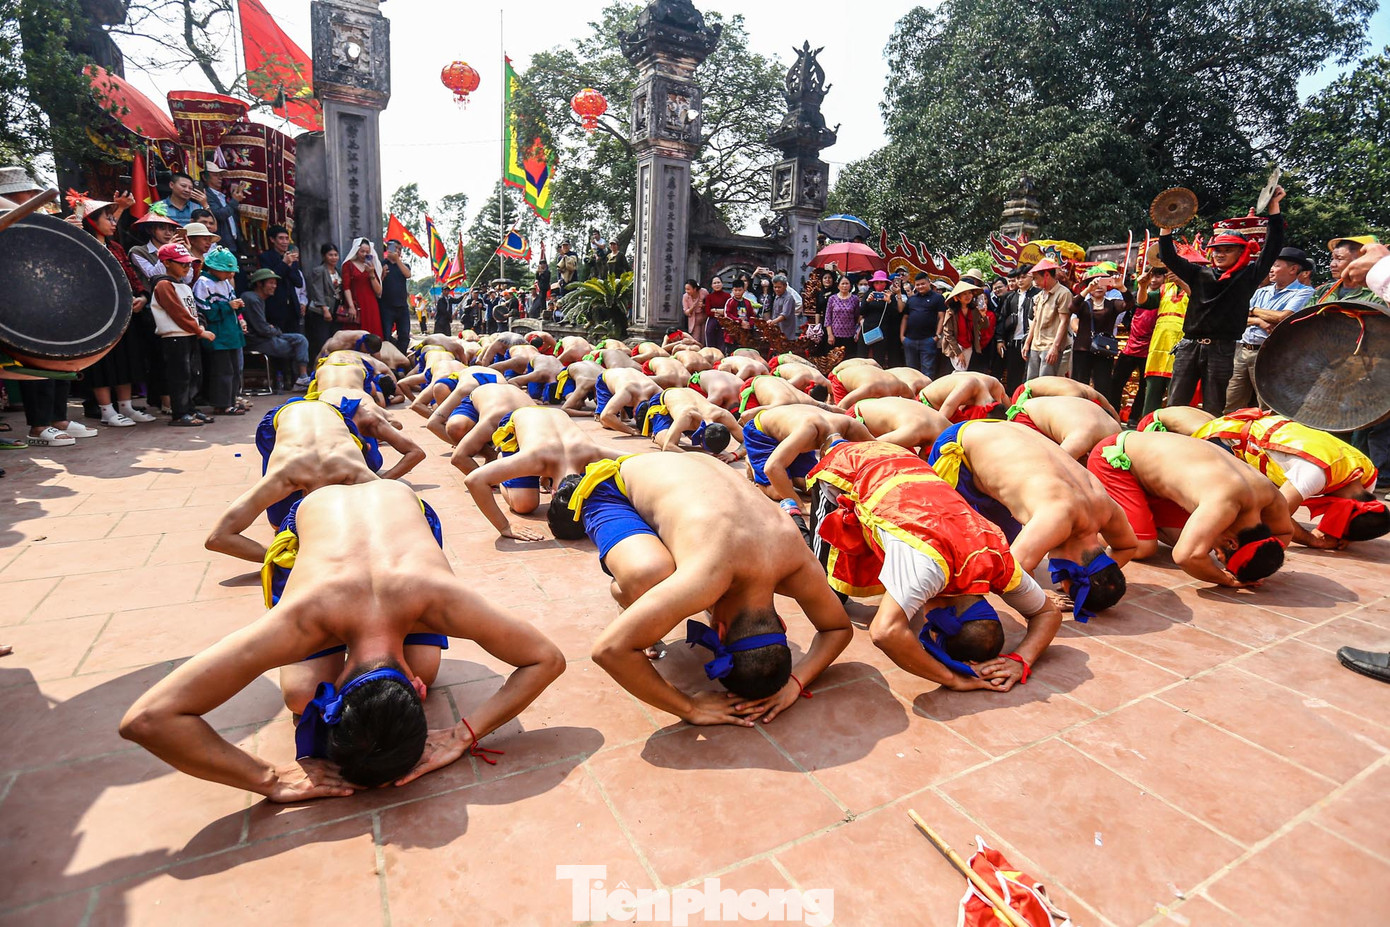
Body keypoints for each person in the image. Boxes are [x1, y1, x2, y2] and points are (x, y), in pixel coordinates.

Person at [125, 480, 565, 799]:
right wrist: (268, 779)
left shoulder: (439, 597)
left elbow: (547, 659)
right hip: (315, 517)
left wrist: (463, 734)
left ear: (415, 688)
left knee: (316, 692)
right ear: (416, 689)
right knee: (301, 695)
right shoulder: (299, 619)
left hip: (401, 512)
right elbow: (146, 720)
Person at [548, 453, 853, 725]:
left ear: (781, 623)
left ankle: (651, 595)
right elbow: (608, 650)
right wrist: (690, 708)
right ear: (718, 631)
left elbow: (839, 628)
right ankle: (627, 597)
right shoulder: (708, 577)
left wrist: (796, 681)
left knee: (692, 571)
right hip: (615, 487)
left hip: (688, 466)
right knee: (648, 575)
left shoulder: (795, 562)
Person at [808, 440, 1064, 692]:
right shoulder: (926, 569)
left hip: (905, 462)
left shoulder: (999, 561)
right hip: (849, 465)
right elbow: (885, 633)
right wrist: (953, 680)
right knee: (828, 594)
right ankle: (831, 448)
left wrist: (1022, 659)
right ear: (938, 623)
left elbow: (1048, 613)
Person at [926, 421, 1136, 619]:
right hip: (959, 447)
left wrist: (1097, 577)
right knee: (947, 555)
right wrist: (1041, 599)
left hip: (1002, 430)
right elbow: (1010, 571)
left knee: (997, 550)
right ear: (1069, 578)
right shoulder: (1057, 518)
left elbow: (1128, 546)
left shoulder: (1105, 508)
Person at [1086, 429, 1293, 586]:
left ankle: (1137, 517)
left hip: (1155, 482)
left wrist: (1262, 562)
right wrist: (1226, 579)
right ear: (1231, 543)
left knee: (1190, 539)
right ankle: (1091, 522)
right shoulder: (1225, 502)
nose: (1214, 555)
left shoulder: (1270, 496)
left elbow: (1284, 532)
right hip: (1116, 458)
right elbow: (1186, 557)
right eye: (1219, 557)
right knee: (1141, 546)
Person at [1158, 187, 1286, 412]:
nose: (1220, 254)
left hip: (1222, 350)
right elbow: (1168, 256)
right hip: (1189, 346)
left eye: (1227, 250)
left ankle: (1209, 436)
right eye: (1217, 250)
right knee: (1175, 404)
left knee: (1213, 407)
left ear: (1241, 252)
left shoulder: (1249, 276)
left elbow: (1272, 248)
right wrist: (1165, 225)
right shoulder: (1199, 274)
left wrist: (1274, 207)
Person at [1193, 412, 1389, 548]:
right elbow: (1273, 516)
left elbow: (1366, 516)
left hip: (1271, 427)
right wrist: (1311, 539)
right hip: (1228, 437)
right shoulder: (1315, 473)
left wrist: (1347, 536)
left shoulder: (1367, 476)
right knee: (1239, 509)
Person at [463, 406, 619, 539]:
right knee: (523, 505)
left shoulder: (593, 452)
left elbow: (634, 460)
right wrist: (504, 526)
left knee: (526, 502)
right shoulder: (534, 459)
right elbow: (474, 480)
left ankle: (510, 468)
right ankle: (502, 459)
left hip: (555, 415)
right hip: (519, 418)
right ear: (553, 493)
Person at [71, 191, 156, 429]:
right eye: (108, 218)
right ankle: (106, 410)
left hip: (124, 314)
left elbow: (131, 276)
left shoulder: (116, 247)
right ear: (91, 221)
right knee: (103, 363)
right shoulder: (81, 248)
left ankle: (126, 406)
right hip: (96, 316)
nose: (113, 222)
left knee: (126, 358)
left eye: (113, 217)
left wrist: (142, 296)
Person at [1225, 247, 1315, 412]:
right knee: (1231, 401)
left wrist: (1253, 310)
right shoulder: (1261, 292)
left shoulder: (1305, 293)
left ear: (1293, 269)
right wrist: (1259, 321)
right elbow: (1237, 316)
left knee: (1268, 404)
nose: (1271, 269)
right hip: (1242, 350)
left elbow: (1283, 317)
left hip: (1271, 354)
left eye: (1276, 265)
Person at [148, 243, 218, 426]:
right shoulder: (163, 284)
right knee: (180, 376)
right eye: (182, 264)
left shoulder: (183, 285)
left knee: (193, 375)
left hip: (189, 335)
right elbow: (177, 313)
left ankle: (190, 408)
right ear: (167, 263)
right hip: (175, 337)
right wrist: (199, 330)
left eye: (188, 264)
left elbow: (193, 311)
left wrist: (199, 326)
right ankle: (179, 413)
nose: (187, 267)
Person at [194, 248, 247, 416]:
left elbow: (232, 302)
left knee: (234, 370)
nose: (230, 275)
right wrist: (228, 306)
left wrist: (238, 309)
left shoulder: (225, 283)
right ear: (214, 268)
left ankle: (231, 400)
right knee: (222, 371)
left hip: (231, 333)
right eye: (226, 271)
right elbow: (205, 311)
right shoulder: (203, 283)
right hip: (218, 336)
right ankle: (221, 404)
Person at [242, 268, 312, 389]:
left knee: (300, 339)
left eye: (275, 283)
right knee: (295, 348)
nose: (274, 286)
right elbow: (263, 329)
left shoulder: (259, 299)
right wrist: (274, 330)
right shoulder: (252, 299)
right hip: (256, 340)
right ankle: (299, 378)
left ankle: (302, 377)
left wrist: (273, 329)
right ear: (259, 283)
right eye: (271, 283)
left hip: (267, 336)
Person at [1109, 267, 1161, 427]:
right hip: (1131, 347)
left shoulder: (1164, 297)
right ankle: (1113, 413)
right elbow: (1126, 315)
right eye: (1151, 276)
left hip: (1151, 349)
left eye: (1158, 276)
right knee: (1116, 382)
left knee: (1145, 387)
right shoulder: (1136, 296)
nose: (1153, 280)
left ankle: (1134, 417)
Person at [1005, 394, 1120, 461]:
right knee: (1038, 464)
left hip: (1042, 408)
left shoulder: (1117, 435)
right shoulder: (1083, 437)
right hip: (1025, 415)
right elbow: (1057, 464)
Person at [1070, 267, 1127, 398]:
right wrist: (1087, 290)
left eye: (1102, 283)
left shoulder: (1112, 304)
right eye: (1095, 284)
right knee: (1079, 386)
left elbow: (1129, 304)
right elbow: (1072, 307)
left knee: (1103, 386)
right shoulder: (1084, 304)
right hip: (1083, 349)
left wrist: (1121, 287)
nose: (1099, 287)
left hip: (1104, 350)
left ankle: (1101, 409)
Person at [848, 396, 950, 454]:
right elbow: (868, 448)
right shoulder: (912, 433)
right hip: (859, 417)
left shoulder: (951, 428)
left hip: (878, 405)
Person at [1022, 259, 1072, 378]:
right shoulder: (1039, 296)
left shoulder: (1063, 293)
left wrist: (1055, 347)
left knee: (1046, 382)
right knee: (1031, 382)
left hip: (1051, 345)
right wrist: (1027, 343)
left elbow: (1064, 321)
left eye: (1036, 278)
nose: (1034, 283)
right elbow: (1035, 320)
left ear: (1046, 275)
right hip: (1036, 345)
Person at [258, 225, 307, 334]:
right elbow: (270, 279)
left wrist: (289, 266)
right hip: (275, 305)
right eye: (281, 238)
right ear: (272, 239)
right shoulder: (265, 257)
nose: (285, 242)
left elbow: (299, 283)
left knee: (295, 338)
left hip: (292, 307)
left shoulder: (291, 258)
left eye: (286, 238)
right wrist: (284, 264)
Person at [1313, 236, 1385, 305]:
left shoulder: (1379, 293)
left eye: (1339, 259)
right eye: (1333, 258)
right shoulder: (1323, 291)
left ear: (1361, 260)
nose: (1332, 264)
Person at [901, 273, 945, 376]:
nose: (920, 286)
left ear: (929, 282)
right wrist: (902, 336)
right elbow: (905, 318)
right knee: (911, 371)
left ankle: (927, 387)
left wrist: (937, 336)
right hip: (910, 340)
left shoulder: (938, 298)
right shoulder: (911, 299)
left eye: (923, 284)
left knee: (928, 370)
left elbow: (941, 317)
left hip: (928, 340)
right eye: (918, 284)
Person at [918, 371, 1008, 422]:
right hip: (926, 403)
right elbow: (940, 419)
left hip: (950, 405)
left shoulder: (995, 384)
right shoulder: (968, 386)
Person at [595, 368, 661, 435]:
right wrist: (630, 431)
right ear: (634, 412)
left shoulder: (657, 391)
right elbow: (605, 416)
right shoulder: (626, 393)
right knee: (606, 423)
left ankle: (620, 408)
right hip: (607, 379)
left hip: (630, 379)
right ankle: (602, 412)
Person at [306, 243, 342, 359]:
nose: (333, 258)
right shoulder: (319, 271)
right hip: (322, 310)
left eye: (335, 255)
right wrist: (325, 309)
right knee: (323, 339)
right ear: (324, 256)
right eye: (330, 255)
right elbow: (318, 291)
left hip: (336, 308)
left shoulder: (338, 271)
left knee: (334, 338)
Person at [341, 238, 383, 338]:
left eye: (367, 252)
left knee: (372, 335)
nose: (364, 254)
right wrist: (351, 306)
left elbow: (378, 291)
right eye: (362, 251)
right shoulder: (348, 265)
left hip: (370, 304)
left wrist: (371, 273)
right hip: (355, 303)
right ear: (356, 251)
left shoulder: (373, 266)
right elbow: (346, 287)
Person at [858, 271, 901, 366]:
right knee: (862, 356)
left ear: (886, 283)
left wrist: (889, 302)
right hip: (866, 329)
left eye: (881, 282)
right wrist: (867, 301)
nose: (879, 284)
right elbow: (861, 312)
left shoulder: (890, 296)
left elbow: (895, 315)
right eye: (876, 282)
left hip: (882, 330)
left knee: (879, 358)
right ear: (873, 284)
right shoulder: (868, 294)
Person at [379, 239, 413, 352]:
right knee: (386, 335)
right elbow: (376, 283)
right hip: (386, 306)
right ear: (388, 249)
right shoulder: (382, 264)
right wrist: (382, 274)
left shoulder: (404, 265)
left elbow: (408, 274)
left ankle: (401, 357)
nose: (397, 251)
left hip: (402, 306)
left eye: (399, 249)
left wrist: (397, 260)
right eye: (395, 248)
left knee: (404, 335)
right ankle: (389, 357)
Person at [200, 162, 240, 251]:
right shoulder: (206, 195)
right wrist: (235, 201)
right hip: (220, 244)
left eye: (220, 175)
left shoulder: (221, 195)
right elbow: (219, 215)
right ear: (204, 177)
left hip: (231, 242)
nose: (220, 178)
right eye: (215, 175)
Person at [824, 275, 861, 355]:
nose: (845, 286)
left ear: (850, 286)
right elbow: (828, 318)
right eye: (842, 284)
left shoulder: (855, 299)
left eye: (847, 283)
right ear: (838, 286)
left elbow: (857, 316)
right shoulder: (832, 299)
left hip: (850, 335)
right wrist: (830, 335)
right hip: (835, 335)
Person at [767, 274, 805, 341]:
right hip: (777, 328)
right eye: (775, 287)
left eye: (779, 287)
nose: (777, 289)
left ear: (785, 286)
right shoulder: (777, 297)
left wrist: (773, 322)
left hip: (786, 329)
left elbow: (784, 315)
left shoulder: (788, 298)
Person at [681, 279, 710, 346]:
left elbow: (709, 303)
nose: (687, 291)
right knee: (696, 339)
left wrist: (703, 306)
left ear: (695, 289)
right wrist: (692, 307)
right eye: (686, 289)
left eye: (688, 289)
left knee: (704, 338)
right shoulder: (685, 296)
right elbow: (686, 312)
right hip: (694, 320)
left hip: (705, 318)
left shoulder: (703, 292)